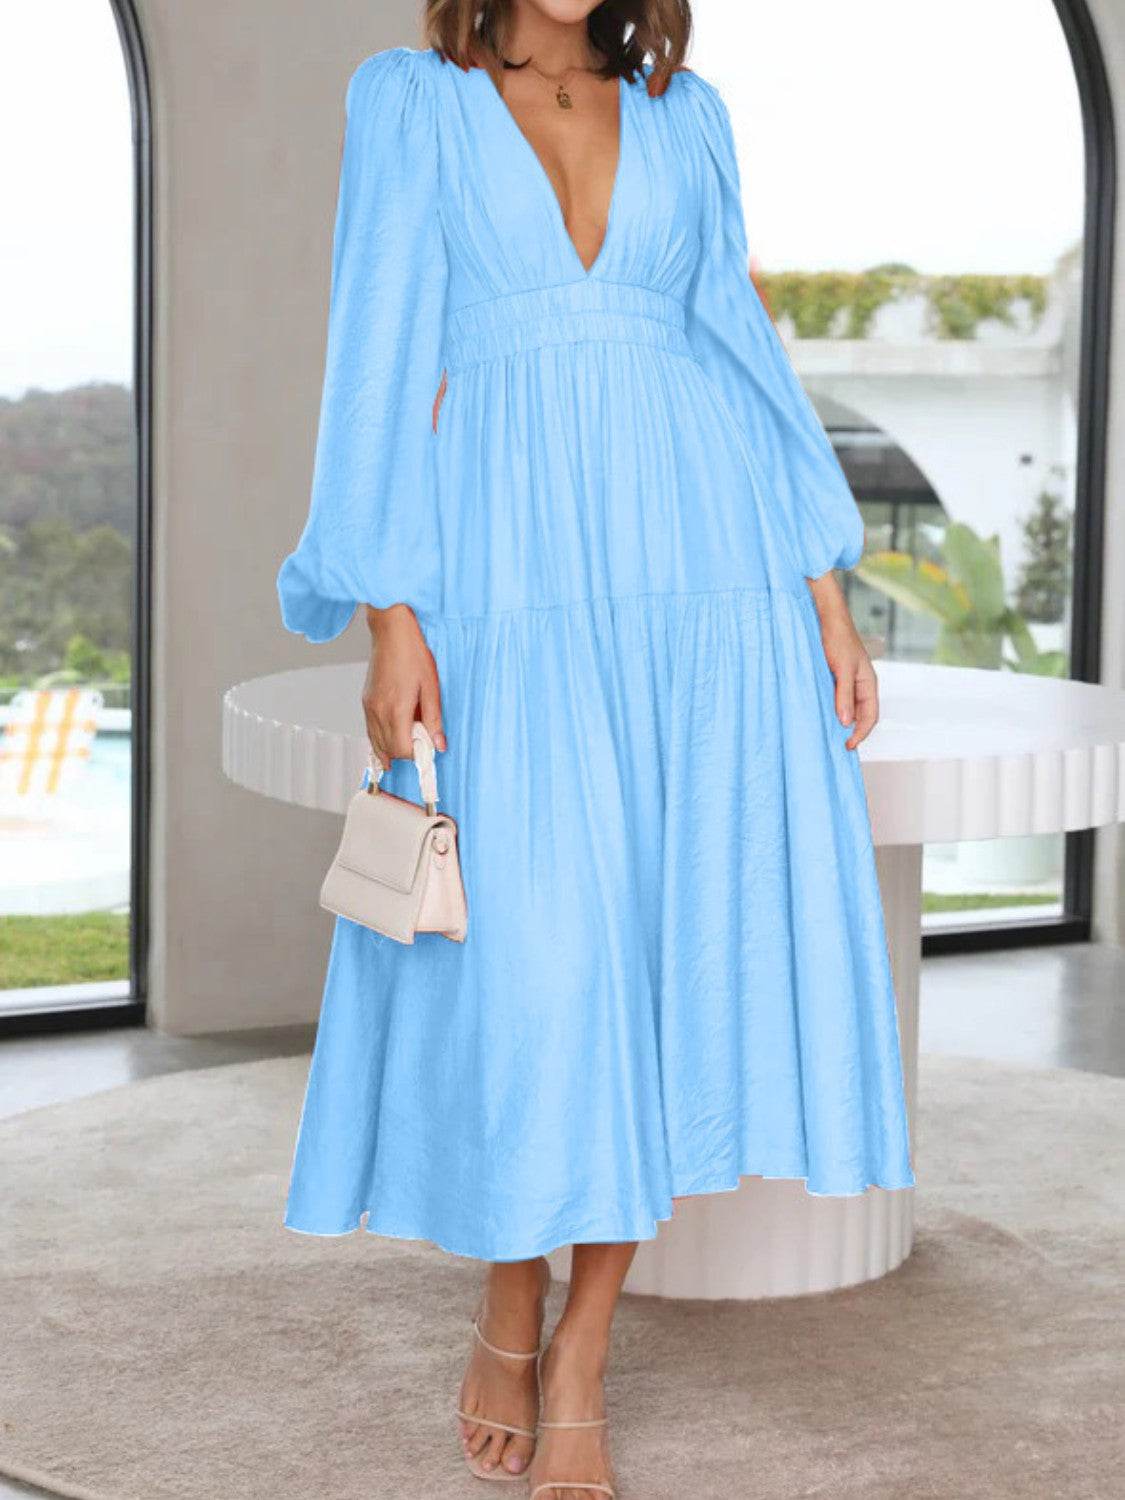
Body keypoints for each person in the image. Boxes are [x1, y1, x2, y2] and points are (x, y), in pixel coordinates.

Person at [276, 3, 915, 1496]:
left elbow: (739, 348)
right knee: (535, 965)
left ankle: (579, 1347)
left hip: (707, 569)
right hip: (505, 565)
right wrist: (388, 615)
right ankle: (507, 1298)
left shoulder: (688, 113)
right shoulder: (412, 100)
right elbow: (375, 358)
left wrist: (824, 593)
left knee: (656, 953)